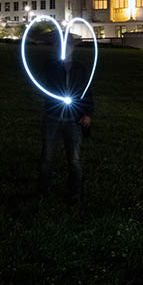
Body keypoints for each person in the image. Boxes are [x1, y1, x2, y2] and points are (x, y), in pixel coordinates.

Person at [37, 41, 93, 204]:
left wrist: (88, 114)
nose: (64, 48)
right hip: (52, 117)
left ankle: (75, 193)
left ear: (73, 48)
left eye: (68, 45)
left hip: (73, 119)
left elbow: (87, 92)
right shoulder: (51, 66)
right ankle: (42, 192)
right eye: (61, 45)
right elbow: (43, 82)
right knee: (47, 157)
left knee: (74, 159)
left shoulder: (80, 68)